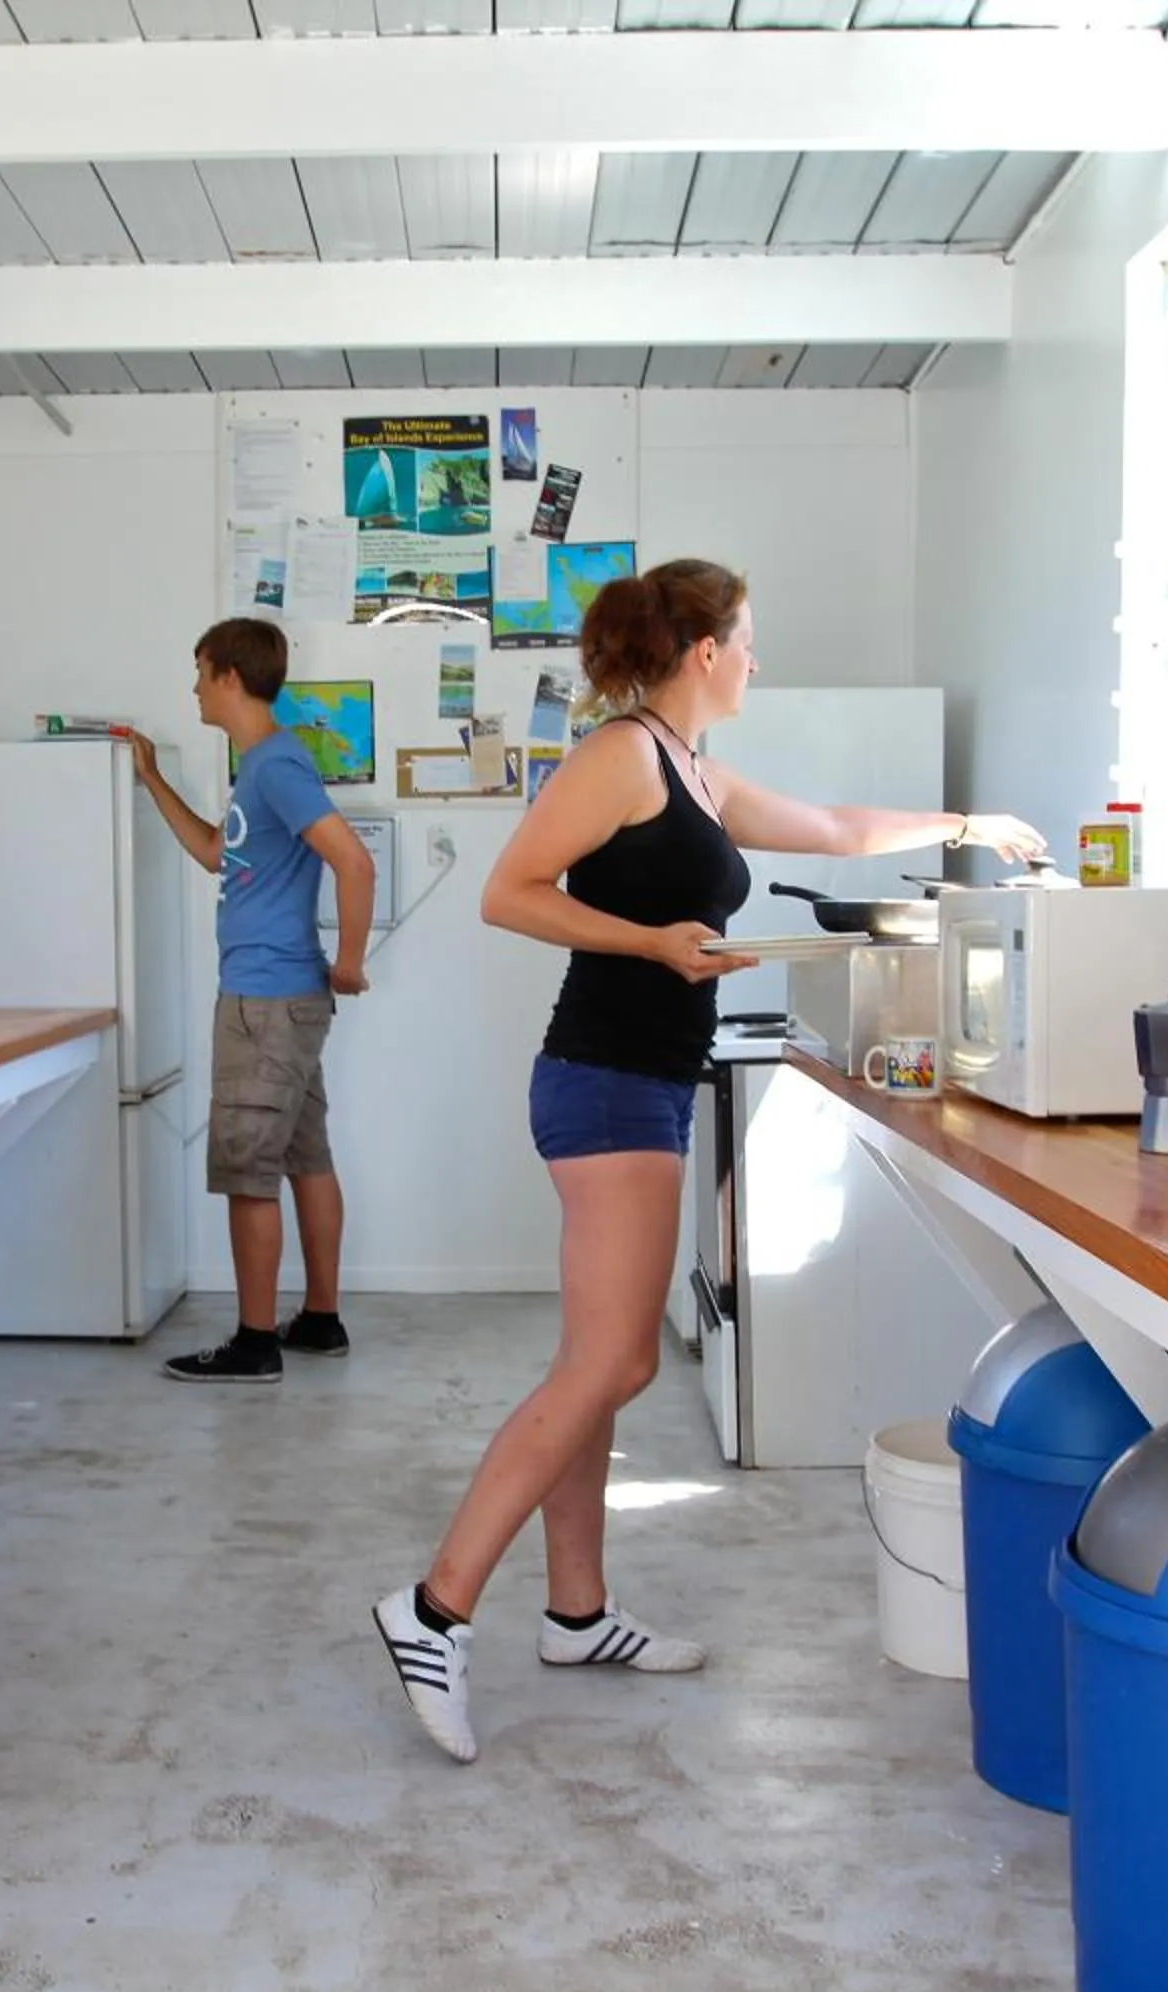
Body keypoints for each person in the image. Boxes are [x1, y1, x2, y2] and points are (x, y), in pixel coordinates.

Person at [369, 559, 1045, 1762]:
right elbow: (508, 893)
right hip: (605, 1076)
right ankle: (433, 1608)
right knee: (616, 1360)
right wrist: (654, 944)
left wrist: (965, 826)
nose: (756, 659)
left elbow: (833, 830)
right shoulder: (620, 755)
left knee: (593, 1365)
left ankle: (576, 1612)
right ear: (702, 650)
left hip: (643, 1076)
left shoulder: (694, 771)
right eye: (747, 639)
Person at [128, 618, 376, 1384]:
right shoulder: (262, 767)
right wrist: (152, 779)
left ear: (230, 676)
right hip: (279, 1001)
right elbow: (216, 853)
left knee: (248, 1169)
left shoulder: (275, 766)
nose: (194, 687)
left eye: (201, 671)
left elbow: (354, 862)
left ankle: (255, 1342)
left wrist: (350, 962)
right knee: (305, 1156)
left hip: (264, 1004)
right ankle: (321, 1321)